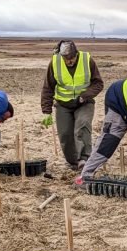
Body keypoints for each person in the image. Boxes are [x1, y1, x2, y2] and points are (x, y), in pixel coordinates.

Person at [40, 40, 104, 169]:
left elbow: (98, 83)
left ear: (76, 54)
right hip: (63, 104)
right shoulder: (55, 63)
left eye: (71, 58)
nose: (69, 61)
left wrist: (84, 96)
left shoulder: (87, 60)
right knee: (65, 135)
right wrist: (46, 111)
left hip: (84, 102)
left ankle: (85, 159)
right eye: (66, 58)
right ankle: (74, 162)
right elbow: (48, 88)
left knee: (82, 126)